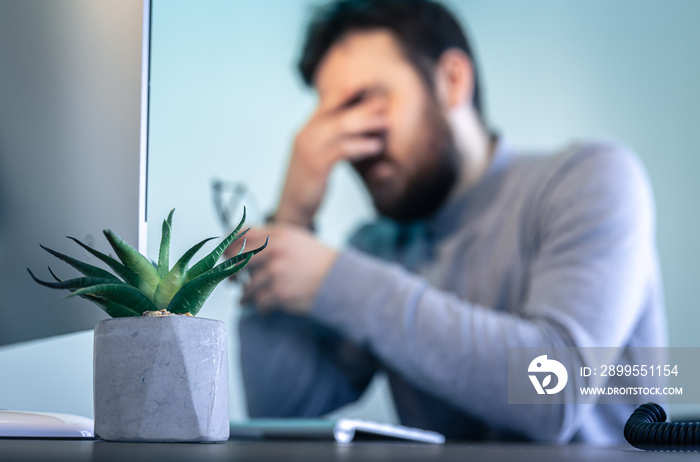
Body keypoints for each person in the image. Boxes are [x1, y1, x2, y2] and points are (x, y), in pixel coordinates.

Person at [231, 0, 667, 444]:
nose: (349, 144)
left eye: (364, 102)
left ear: (452, 81)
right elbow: (281, 407)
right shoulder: (377, 248)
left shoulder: (590, 179)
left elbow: (552, 391)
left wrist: (336, 280)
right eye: (330, 117)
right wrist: (292, 220)